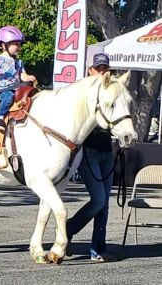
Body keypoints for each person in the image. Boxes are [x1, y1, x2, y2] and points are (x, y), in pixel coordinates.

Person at [66, 53, 117, 262]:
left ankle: (98, 249)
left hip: (107, 150)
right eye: (98, 68)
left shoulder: (111, 91)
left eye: (105, 68)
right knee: (98, 201)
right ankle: (69, 227)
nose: (102, 71)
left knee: (104, 205)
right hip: (88, 151)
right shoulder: (83, 93)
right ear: (90, 71)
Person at [0, 25, 37, 131]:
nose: (19, 47)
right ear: (4, 45)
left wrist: (28, 77)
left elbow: (22, 75)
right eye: (16, 44)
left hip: (16, 88)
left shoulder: (18, 62)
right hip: (1, 89)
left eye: (20, 44)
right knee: (8, 97)